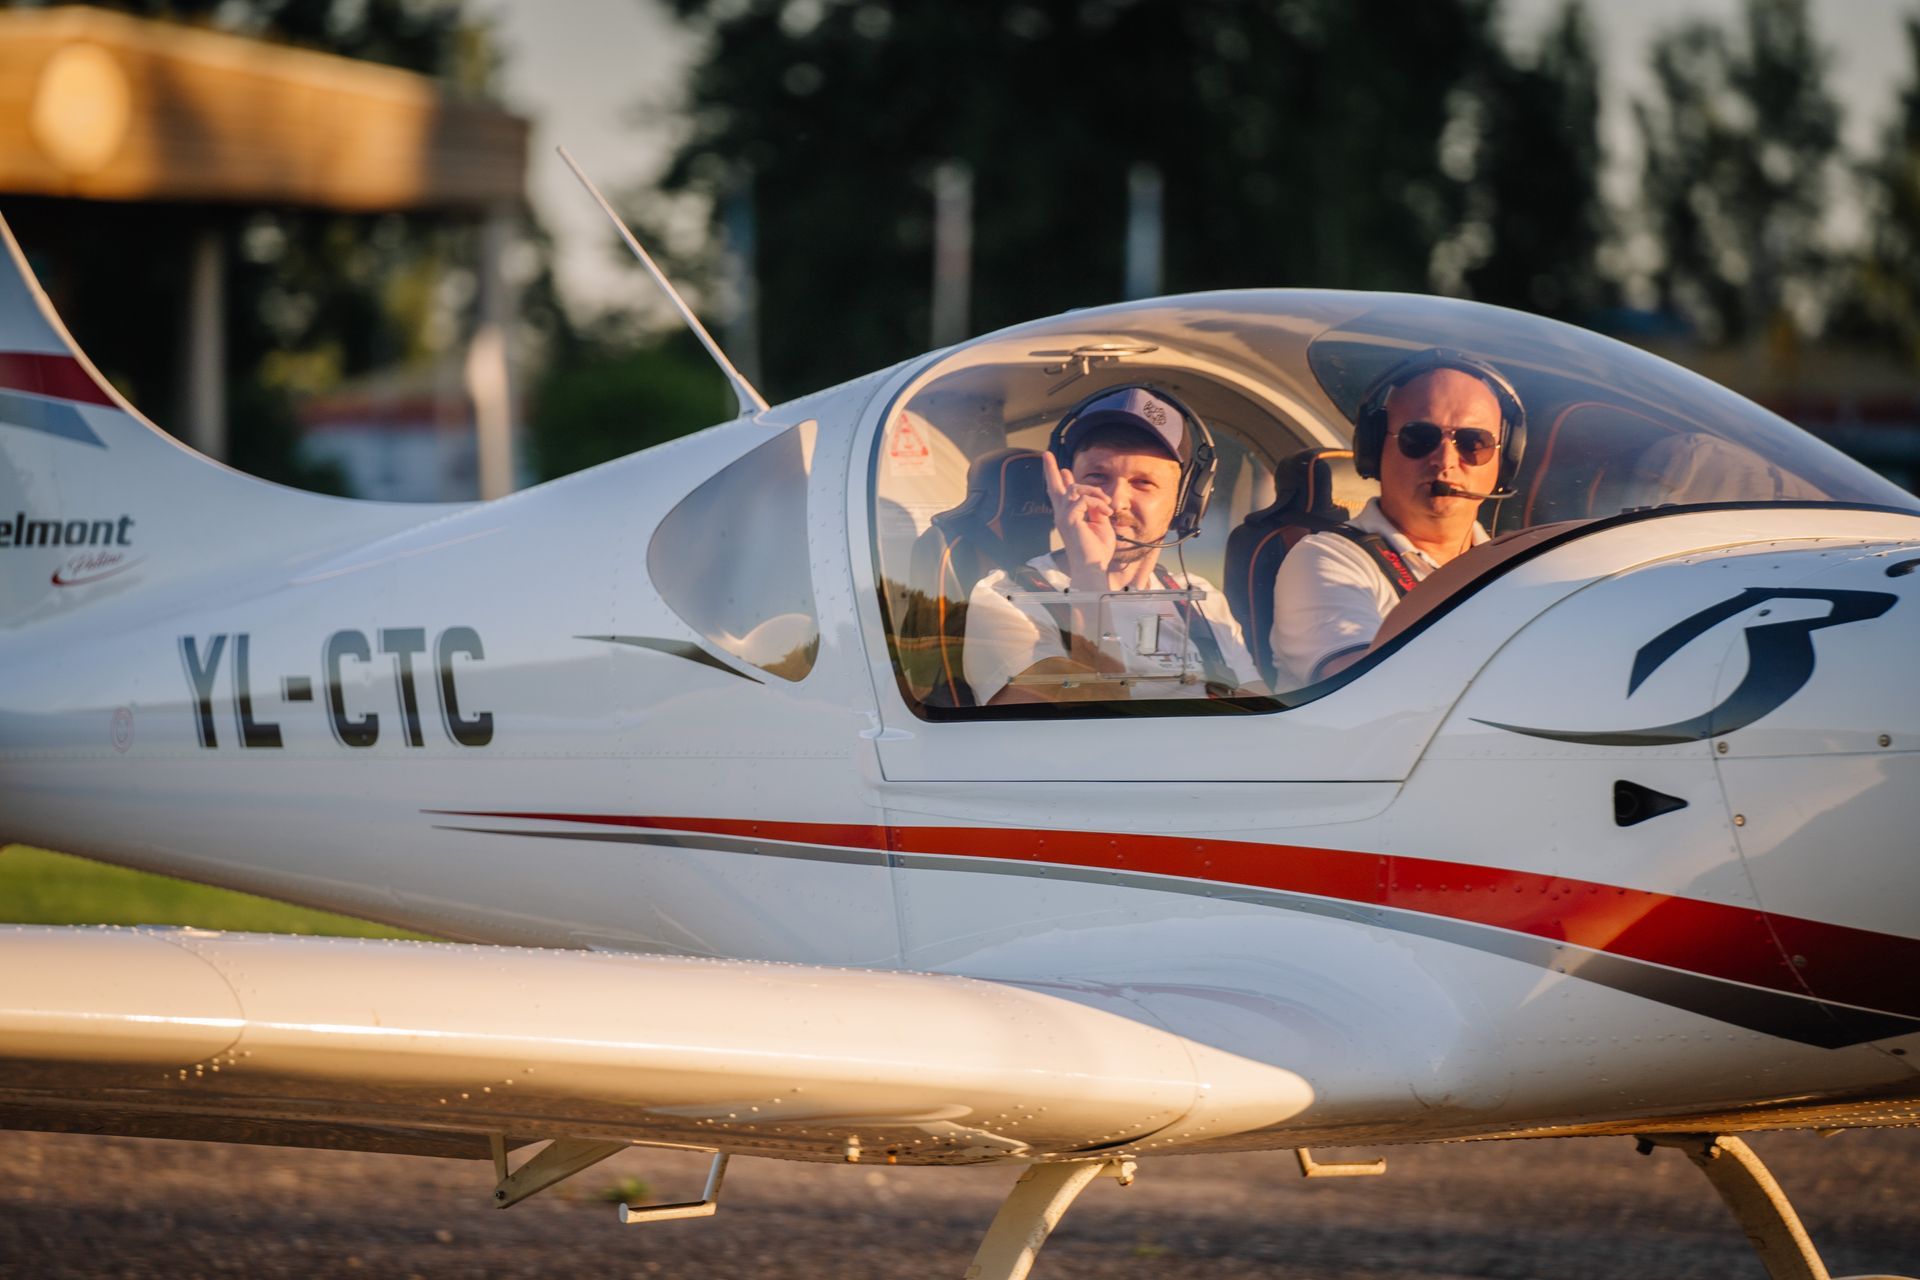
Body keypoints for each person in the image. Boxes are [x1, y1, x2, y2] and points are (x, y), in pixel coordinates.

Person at [963, 385, 1260, 705]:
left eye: (1143, 482)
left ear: (1185, 502)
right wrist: (1090, 576)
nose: (1117, 502)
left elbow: (1260, 714)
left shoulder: (1199, 600)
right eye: (1096, 476)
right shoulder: (1008, 600)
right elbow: (1089, 724)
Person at [1270, 350, 1525, 688]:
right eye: (1419, 438)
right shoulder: (1325, 560)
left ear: (1504, 459)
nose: (1445, 460)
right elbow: (1364, 687)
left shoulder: (1520, 570)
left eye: (1473, 442)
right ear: (1375, 449)